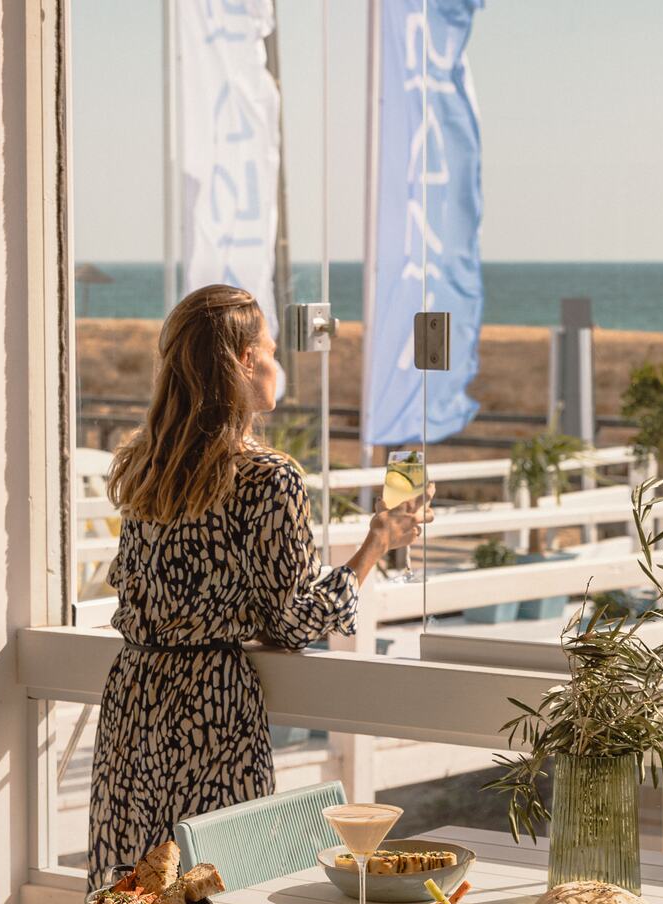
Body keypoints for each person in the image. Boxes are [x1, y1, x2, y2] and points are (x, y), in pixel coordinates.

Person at [90, 283, 431, 873]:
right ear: (246, 360)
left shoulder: (146, 465)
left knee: (135, 893)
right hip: (210, 708)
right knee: (218, 890)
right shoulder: (268, 478)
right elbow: (293, 620)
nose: (277, 363)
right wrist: (376, 543)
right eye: (270, 350)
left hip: (134, 700)